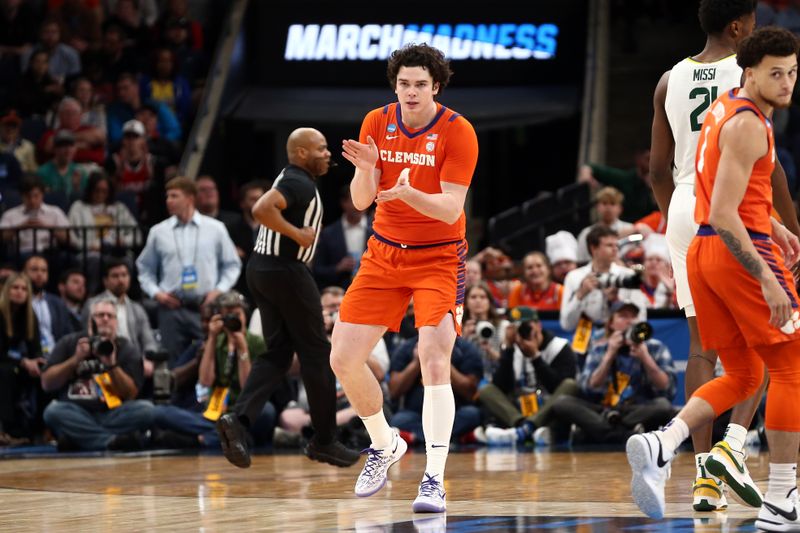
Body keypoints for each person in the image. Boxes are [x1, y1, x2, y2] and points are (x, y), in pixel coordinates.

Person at [627, 28, 800, 529]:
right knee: (790, 366)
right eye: (775, 73)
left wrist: (774, 223)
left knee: (742, 373)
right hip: (734, 249)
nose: (787, 82)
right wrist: (768, 278)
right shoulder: (750, 125)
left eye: (792, 71)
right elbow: (727, 214)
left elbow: (715, 195)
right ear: (749, 72)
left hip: (699, 248)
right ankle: (783, 494)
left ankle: (664, 442)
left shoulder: (723, 109)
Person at [330, 43, 479, 513]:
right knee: (343, 359)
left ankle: (434, 479)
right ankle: (385, 442)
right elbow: (360, 201)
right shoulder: (377, 121)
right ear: (394, 86)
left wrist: (408, 192)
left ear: (436, 86)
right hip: (383, 255)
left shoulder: (459, 132)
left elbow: (451, 208)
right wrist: (367, 171)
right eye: (403, 84)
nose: (410, 92)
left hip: (439, 258)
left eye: (420, 84)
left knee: (434, 358)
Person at [214, 127, 360, 470]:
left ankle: (239, 420)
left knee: (278, 353)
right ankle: (325, 440)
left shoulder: (290, 176)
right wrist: (299, 234)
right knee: (317, 353)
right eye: (321, 149)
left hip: (260, 270)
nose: (328, 154)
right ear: (302, 153)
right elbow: (261, 209)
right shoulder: (299, 182)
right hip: (285, 270)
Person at [136, 176, 241, 362]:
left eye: (174, 196)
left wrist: (218, 291)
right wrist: (157, 294)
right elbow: (144, 268)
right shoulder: (158, 232)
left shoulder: (216, 228)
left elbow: (232, 264)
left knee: (212, 359)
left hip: (207, 307)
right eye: (167, 196)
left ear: (190, 198)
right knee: (173, 365)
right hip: (171, 308)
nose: (169, 201)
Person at [41, 297, 155, 451]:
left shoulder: (127, 348)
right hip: (76, 411)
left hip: (113, 414)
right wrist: (75, 359)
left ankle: (80, 438)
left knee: (146, 409)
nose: (106, 319)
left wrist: (112, 365)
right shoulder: (70, 342)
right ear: (90, 320)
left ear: (116, 322)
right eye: (100, 315)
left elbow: (130, 394)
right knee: (53, 411)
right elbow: (47, 383)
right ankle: (110, 441)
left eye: (110, 316)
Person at [0, 272, 45, 443]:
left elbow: (35, 348)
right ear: (6, 290)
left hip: (15, 362)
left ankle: (39, 430)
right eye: (15, 288)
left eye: (24, 289)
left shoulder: (29, 314)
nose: (19, 292)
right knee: (6, 373)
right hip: (5, 363)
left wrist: (39, 361)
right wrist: (23, 362)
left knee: (44, 373)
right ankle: (8, 430)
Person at [312, 184, 373, 289]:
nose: (360, 205)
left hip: (370, 289)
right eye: (355, 200)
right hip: (338, 291)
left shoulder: (377, 231)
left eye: (364, 199)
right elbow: (317, 269)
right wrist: (337, 268)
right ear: (343, 203)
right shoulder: (328, 233)